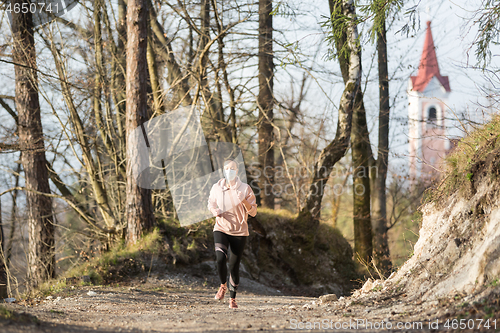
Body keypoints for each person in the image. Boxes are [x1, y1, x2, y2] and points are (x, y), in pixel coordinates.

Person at [207, 159, 257, 309]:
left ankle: (232, 299)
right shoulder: (217, 187)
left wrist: (243, 201)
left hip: (240, 232)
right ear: (223, 170)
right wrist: (214, 210)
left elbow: (253, 212)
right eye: (227, 168)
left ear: (237, 171)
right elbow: (210, 203)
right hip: (221, 227)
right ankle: (223, 286)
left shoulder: (245, 188)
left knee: (234, 266)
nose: (229, 171)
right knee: (220, 258)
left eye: (232, 168)